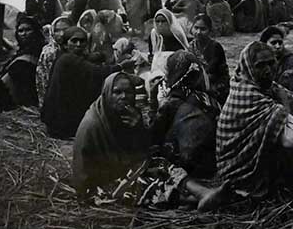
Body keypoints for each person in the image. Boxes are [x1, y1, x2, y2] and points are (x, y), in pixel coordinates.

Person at [72, 71, 229, 210]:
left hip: (122, 169)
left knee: (159, 162)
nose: (124, 97)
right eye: (117, 92)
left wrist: (137, 128)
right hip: (98, 187)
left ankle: (202, 193)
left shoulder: (122, 114)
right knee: (144, 185)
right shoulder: (92, 124)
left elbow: (140, 152)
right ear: (106, 94)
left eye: (128, 92)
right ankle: (194, 199)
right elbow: (84, 174)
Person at [216, 42, 293, 209]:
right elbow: (289, 141)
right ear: (248, 67)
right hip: (238, 172)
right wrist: (284, 106)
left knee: (284, 125)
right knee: (278, 132)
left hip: (248, 158)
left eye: (271, 63)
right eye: (260, 65)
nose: (268, 70)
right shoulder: (248, 94)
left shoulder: (261, 86)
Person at [40, 27, 137, 139]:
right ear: (66, 45)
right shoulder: (67, 59)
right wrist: (121, 66)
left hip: (59, 117)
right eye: (74, 41)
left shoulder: (69, 57)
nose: (78, 44)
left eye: (82, 41)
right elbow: (97, 72)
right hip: (59, 123)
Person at [149, 50, 222, 177]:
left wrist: (152, 101)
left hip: (188, 169)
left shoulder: (170, 104)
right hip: (212, 164)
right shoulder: (209, 98)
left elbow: (153, 136)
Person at [0, 15, 46, 116]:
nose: (24, 34)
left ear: (36, 31)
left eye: (28, 30)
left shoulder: (37, 52)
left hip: (20, 98)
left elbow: (7, 83)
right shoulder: (22, 51)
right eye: (21, 31)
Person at [188, 15, 230, 104]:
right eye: (196, 28)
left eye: (203, 29)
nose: (198, 32)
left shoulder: (215, 47)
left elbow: (211, 70)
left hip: (215, 82)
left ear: (209, 30)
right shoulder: (190, 46)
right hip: (198, 80)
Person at [260, 25, 293, 99]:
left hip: (286, 98)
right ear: (264, 44)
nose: (278, 46)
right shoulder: (258, 59)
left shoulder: (289, 59)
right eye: (273, 43)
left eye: (280, 42)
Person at [35, 15, 71, 105]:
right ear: (52, 32)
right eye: (57, 30)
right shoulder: (50, 51)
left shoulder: (76, 47)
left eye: (66, 29)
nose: (62, 33)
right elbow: (45, 78)